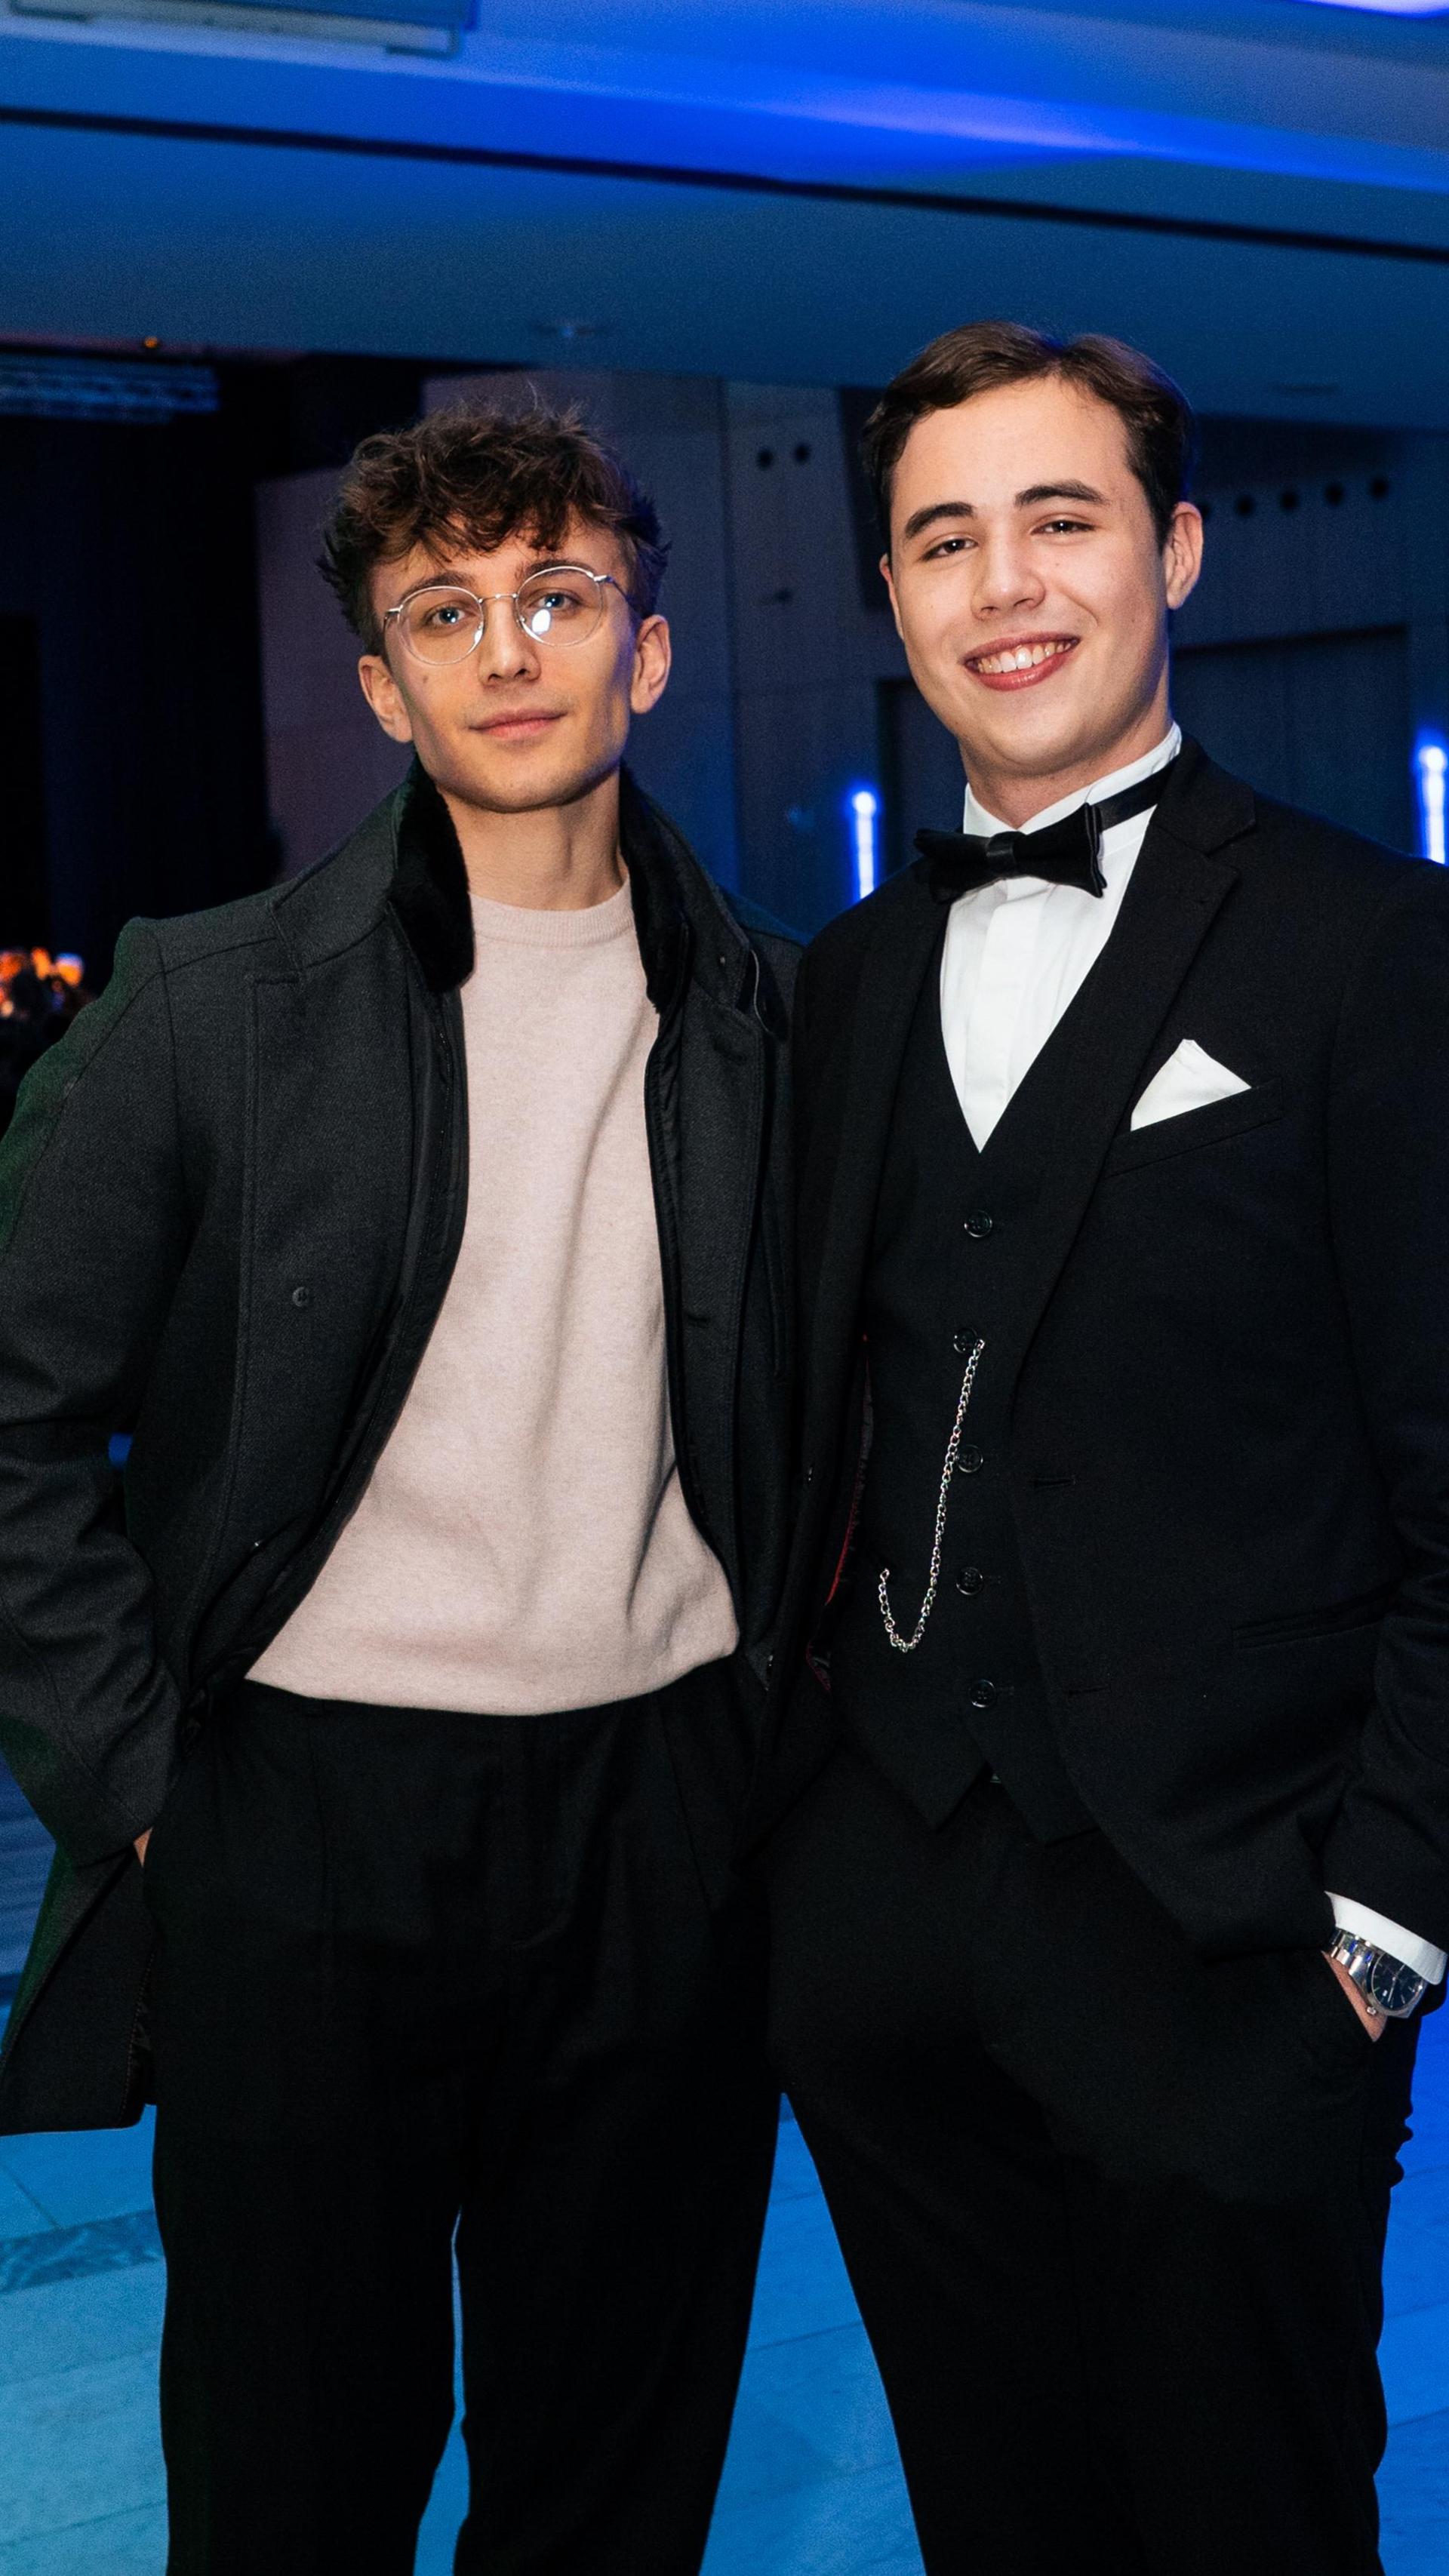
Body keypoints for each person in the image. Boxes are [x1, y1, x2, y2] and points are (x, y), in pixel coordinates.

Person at [0, 399, 798, 2576]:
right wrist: (145, 1780)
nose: (510, 648)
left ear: (647, 646)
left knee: (615, 2474)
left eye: (560, 597)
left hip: (664, 1829)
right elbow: (9, 1418)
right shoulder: (205, 1006)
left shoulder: (778, 1027)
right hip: (298, 1823)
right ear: (381, 681)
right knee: (291, 2479)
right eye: (449, 613)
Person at [758, 320, 1449, 2576]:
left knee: (1253, 2527)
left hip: (1241, 1945)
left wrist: (1384, 1920)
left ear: (1179, 549)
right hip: (889, 1930)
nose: (1004, 584)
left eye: (1062, 520)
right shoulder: (839, 985)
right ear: (890, 594)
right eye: (943, 539)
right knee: (999, 2521)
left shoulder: (1374, 949)